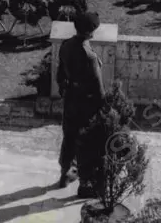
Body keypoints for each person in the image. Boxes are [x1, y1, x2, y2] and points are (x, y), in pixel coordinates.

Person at [55, 11, 104, 193]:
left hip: (70, 99)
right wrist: (104, 110)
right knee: (86, 142)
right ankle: (86, 184)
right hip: (86, 104)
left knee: (69, 136)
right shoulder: (89, 56)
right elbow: (99, 89)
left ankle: (65, 173)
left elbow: (60, 73)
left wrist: (64, 89)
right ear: (91, 32)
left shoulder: (66, 45)